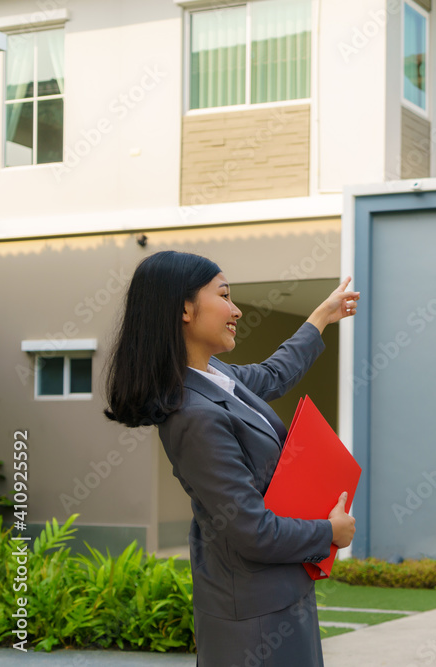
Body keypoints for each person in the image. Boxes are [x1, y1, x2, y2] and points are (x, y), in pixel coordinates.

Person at [104, 250, 359, 666]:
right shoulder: (194, 415)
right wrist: (329, 532)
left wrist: (321, 319)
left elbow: (275, 374)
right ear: (184, 309)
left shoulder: (217, 377)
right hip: (253, 617)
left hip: (278, 593)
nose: (236, 309)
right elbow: (250, 530)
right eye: (224, 295)